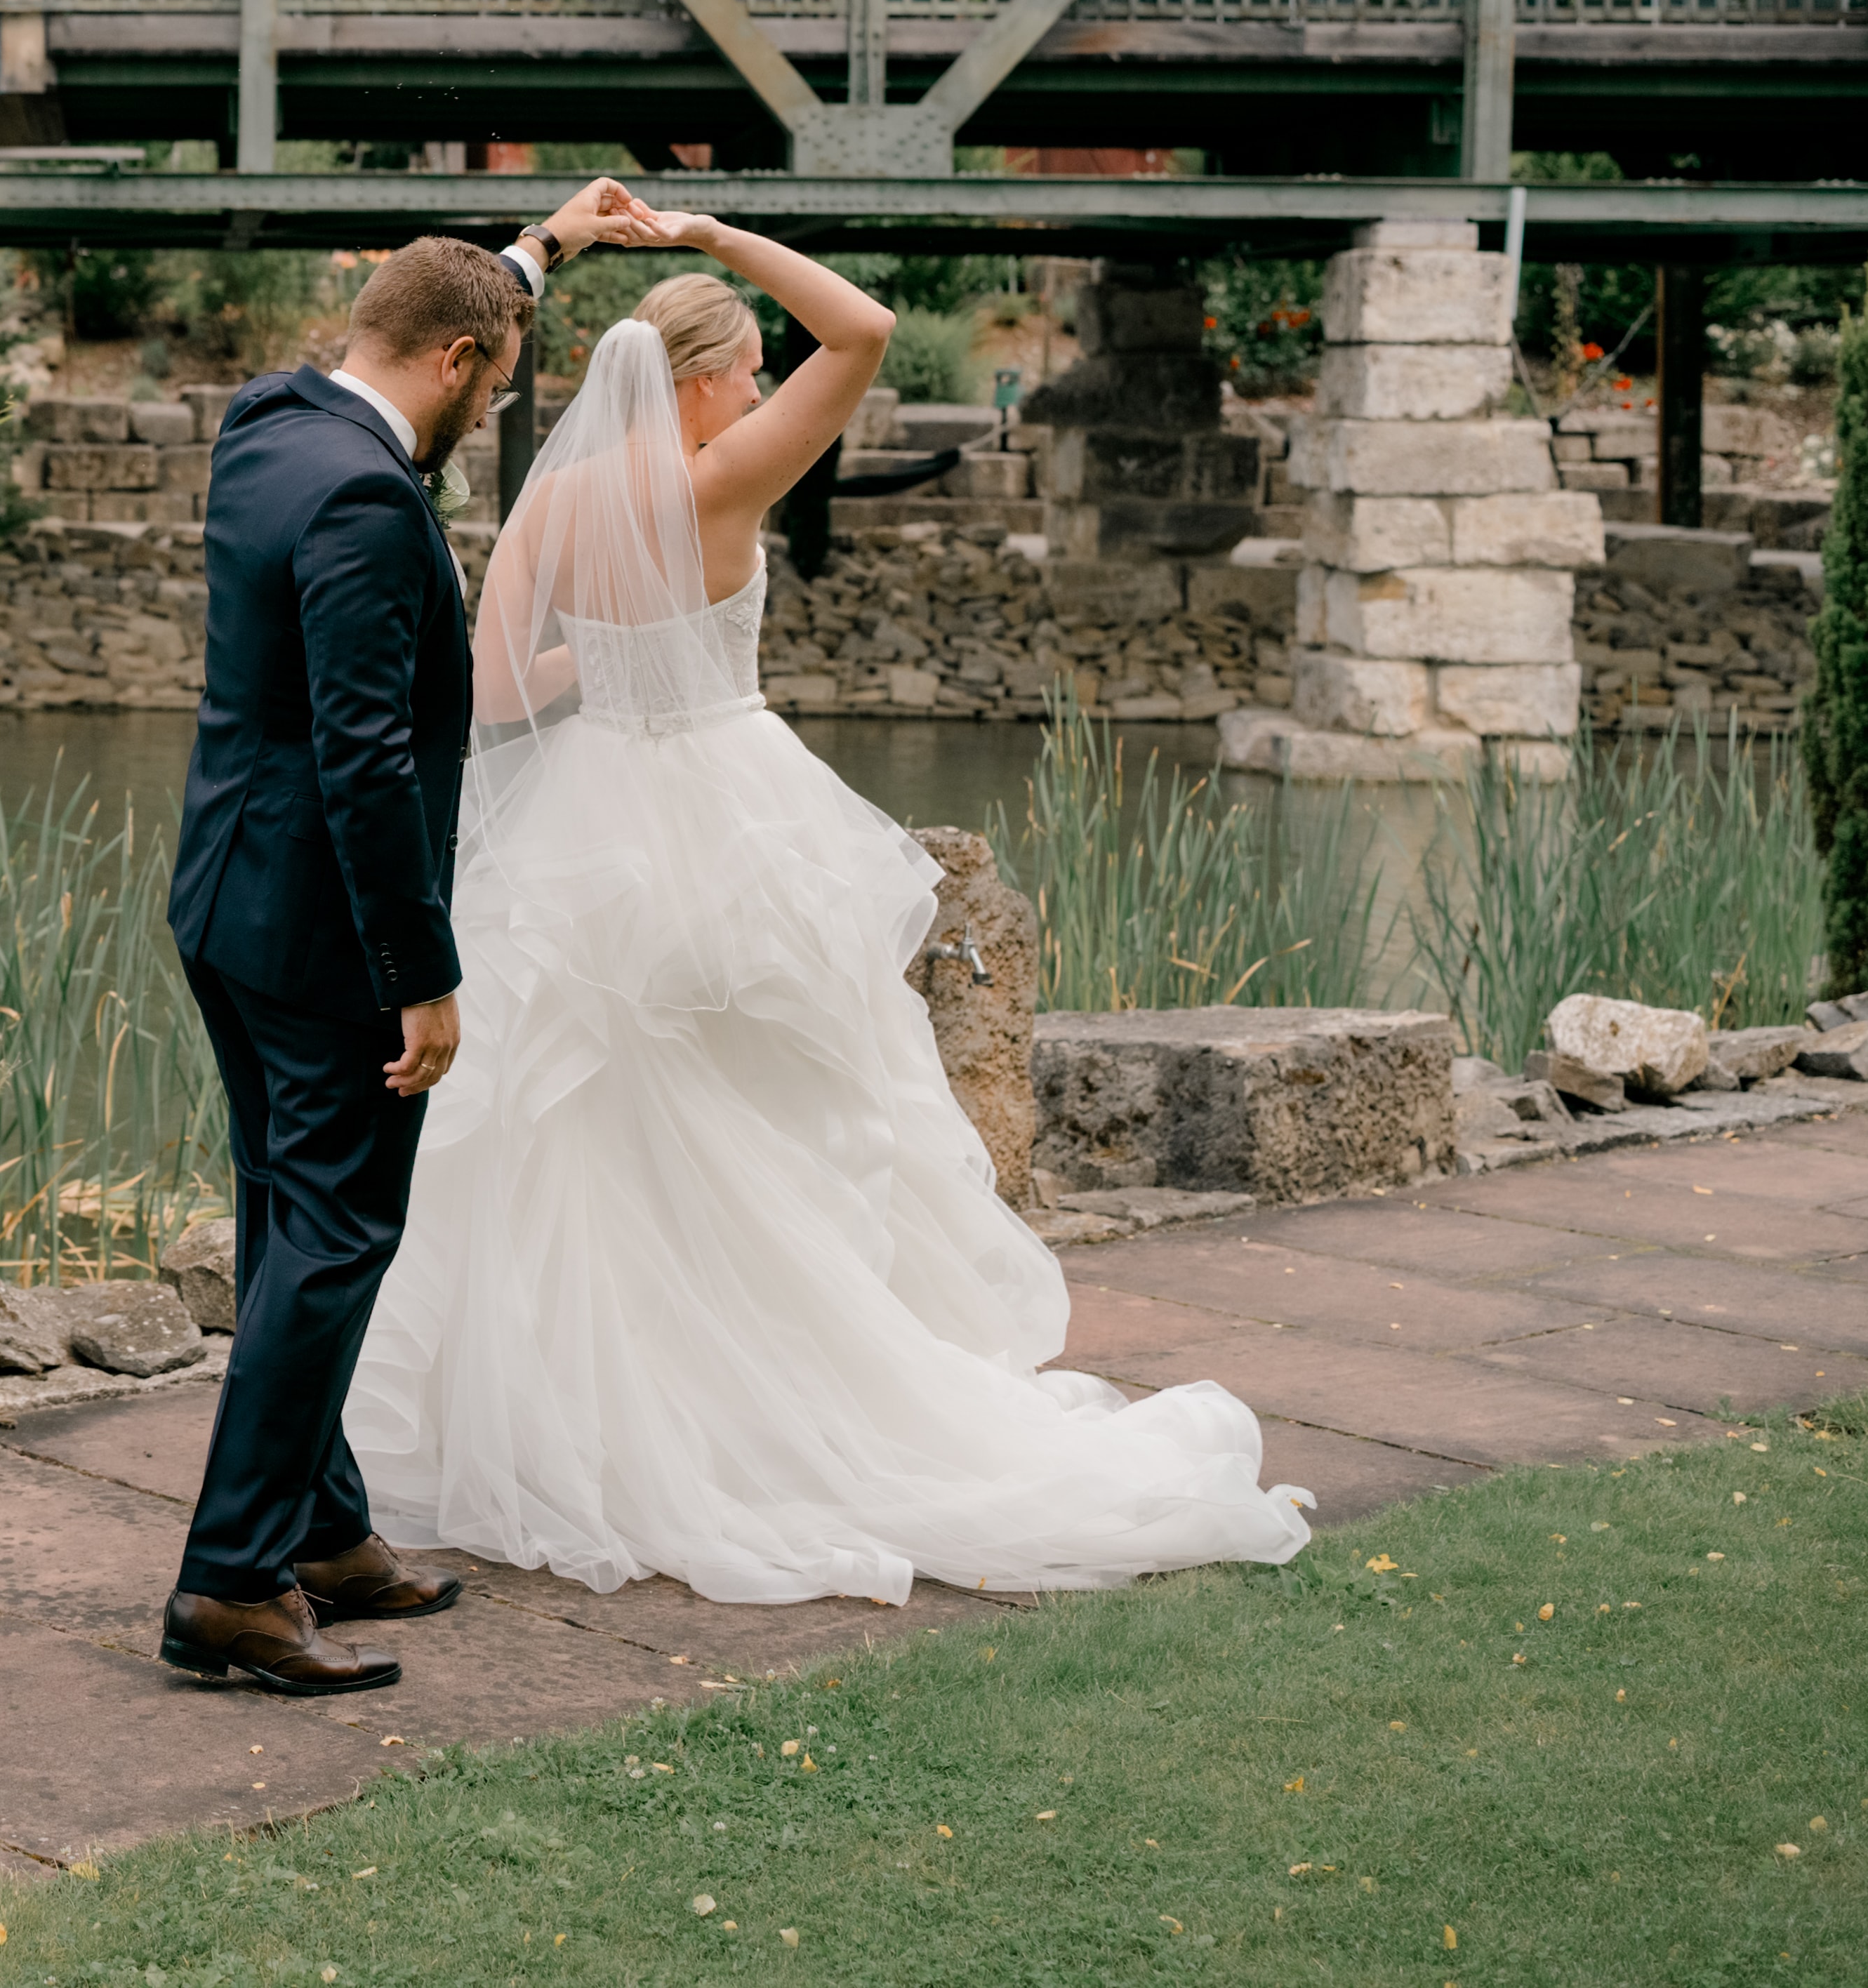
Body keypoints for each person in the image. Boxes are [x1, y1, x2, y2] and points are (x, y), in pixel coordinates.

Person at [343, 209, 1316, 1604]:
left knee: (596, 1142)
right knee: (773, 1129)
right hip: (728, 814)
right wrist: (708, 228)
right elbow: (857, 328)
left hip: (589, 823)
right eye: (742, 370)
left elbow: (489, 694)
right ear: (695, 380)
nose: (752, 391)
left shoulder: (550, 505)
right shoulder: (720, 478)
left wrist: (612, 669)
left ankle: (613, 1430)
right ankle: (772, 1418)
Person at [159, 176, 656, 1694]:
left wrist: (540, 249)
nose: (483, 407)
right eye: (490, 383)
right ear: (451, 367)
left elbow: (438, 306)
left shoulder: (268, 421)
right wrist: (419, 977)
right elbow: (366, 757)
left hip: (220, 902)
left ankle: (320, 1528)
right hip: (321, 936)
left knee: (280, 1215)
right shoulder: (370, 503)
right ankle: (231, 1583)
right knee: (336, 1235)